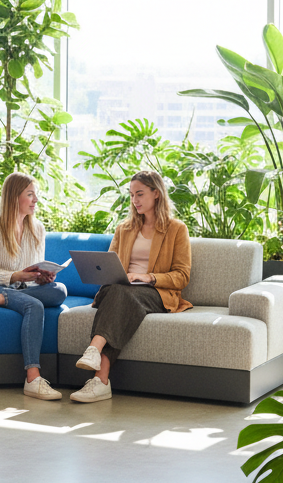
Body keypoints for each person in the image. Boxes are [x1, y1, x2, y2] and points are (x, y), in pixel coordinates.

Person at [70, 170, 192, 403]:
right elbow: (109, 265)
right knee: (121, 293)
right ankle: (100, 380)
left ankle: (96, 357)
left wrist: (149, 277)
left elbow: (182, 276)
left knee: (122, 296)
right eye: (131, 195)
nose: (134, 200)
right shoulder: (124, 229)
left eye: (140, 194)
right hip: (121, 289)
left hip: (155, 291)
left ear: (156, 194)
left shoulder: (177, 229)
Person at [0, 172, 68, 400]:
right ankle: (33, 379)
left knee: (59, 291)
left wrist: (40, 277)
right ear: (15, 196)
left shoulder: (38, 229)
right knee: (34, 306)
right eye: (30, 194)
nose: (36, 200)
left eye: (36, 195)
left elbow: (31, 274)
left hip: (19, 290)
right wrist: (18, 276)